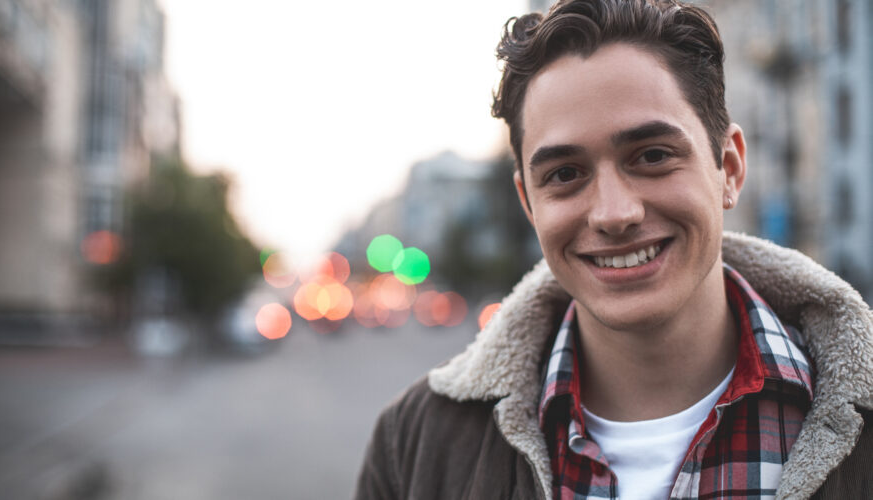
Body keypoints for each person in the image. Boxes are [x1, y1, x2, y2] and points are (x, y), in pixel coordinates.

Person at [354, 0, 873, 498]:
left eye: (651, 155)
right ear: (529, 204)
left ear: (729, 169)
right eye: (565, 174)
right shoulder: (415, 444)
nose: (613, 213)